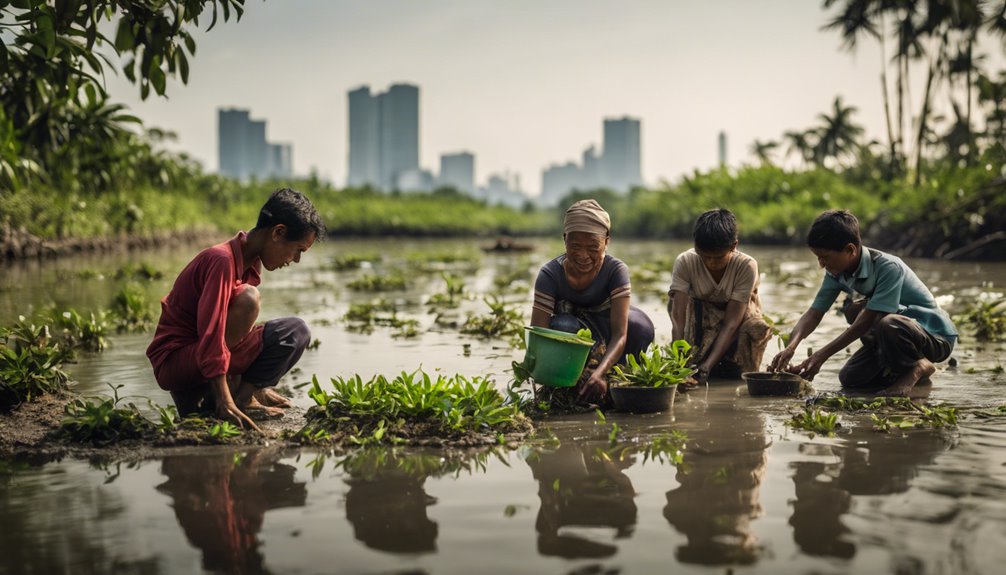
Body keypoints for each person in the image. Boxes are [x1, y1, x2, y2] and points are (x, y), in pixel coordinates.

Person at [146, 188, 326, 431]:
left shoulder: (249, 262)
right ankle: (217, 400)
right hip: (177, 362)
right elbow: (211, 334)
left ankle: (244, 398)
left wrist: (258, 386)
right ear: (278, 233)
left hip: (200, 356)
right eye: (298, 250)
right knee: (249, 299)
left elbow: (232, 334)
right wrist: (223, 399)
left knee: (294, 332)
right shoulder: (221, 260)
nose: (295, 260)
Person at [769, 209, 957, 396]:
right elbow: (814, 313)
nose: (821, 264)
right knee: (851, 379)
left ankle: (920, 366)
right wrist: (790, 347)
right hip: (891, 335)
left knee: (882, 320)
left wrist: (822, 355)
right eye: (818, 257)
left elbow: (867, 320)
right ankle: (902, 368)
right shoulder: (836, 273)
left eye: (825, 257)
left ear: (850, 250)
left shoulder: (888, 268)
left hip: (934, 336)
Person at [531, 198, 655, 404]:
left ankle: (614, 377)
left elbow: (620, 334)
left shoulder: (616, 270)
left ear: (606, 242)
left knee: (640, 327)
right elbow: (539, 334)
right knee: (563, 325)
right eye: (575, 246)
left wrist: (601, 373)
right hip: (574, 338)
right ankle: (569, 384)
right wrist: (543, 374)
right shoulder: (550, 274)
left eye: (593, 247)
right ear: (564, 240)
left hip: (607, 328)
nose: (583, 255)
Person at [667, 208, 771, 385]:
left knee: (735, 370)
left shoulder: (746, 266)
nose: (710, 263)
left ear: (734, 246)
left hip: (737, 316)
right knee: (691, 363)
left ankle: (717, 363)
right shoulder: (686, 261)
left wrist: (706, 367)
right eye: (704, 256)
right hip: (699, 312)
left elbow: (732, 323)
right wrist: (679, 363)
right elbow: (678, 319)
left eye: (718, 257)